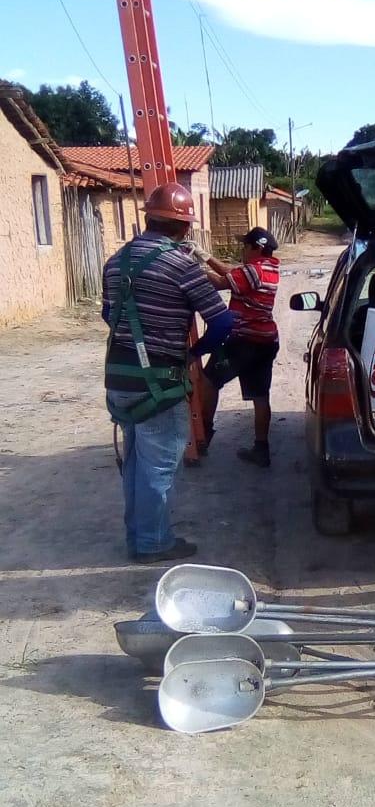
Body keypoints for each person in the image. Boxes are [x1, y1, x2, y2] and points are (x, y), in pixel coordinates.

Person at [103, 183, 234, 563]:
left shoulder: (117, 261)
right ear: (184, 227)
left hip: (118, 379)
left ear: (149, 217)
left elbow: (109, 315)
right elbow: (223, 323)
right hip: (159, 383)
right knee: (157, 468)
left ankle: (139, 536)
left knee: (136, 463)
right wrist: (194, 352)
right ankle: (153, 543)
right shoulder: (181, 265)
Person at [192, 227, 281, 469]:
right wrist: (205, 256)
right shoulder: (270, 267)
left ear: (256, 248)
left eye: (245, 246)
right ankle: (261, 449)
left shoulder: (254, 270)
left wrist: (194, 268)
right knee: (261, 395)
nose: (242, 250)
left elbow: (223, 282)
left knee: (209, 380)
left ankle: (204, 436)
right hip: (266, 341)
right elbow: (233, 274)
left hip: (245, 341)